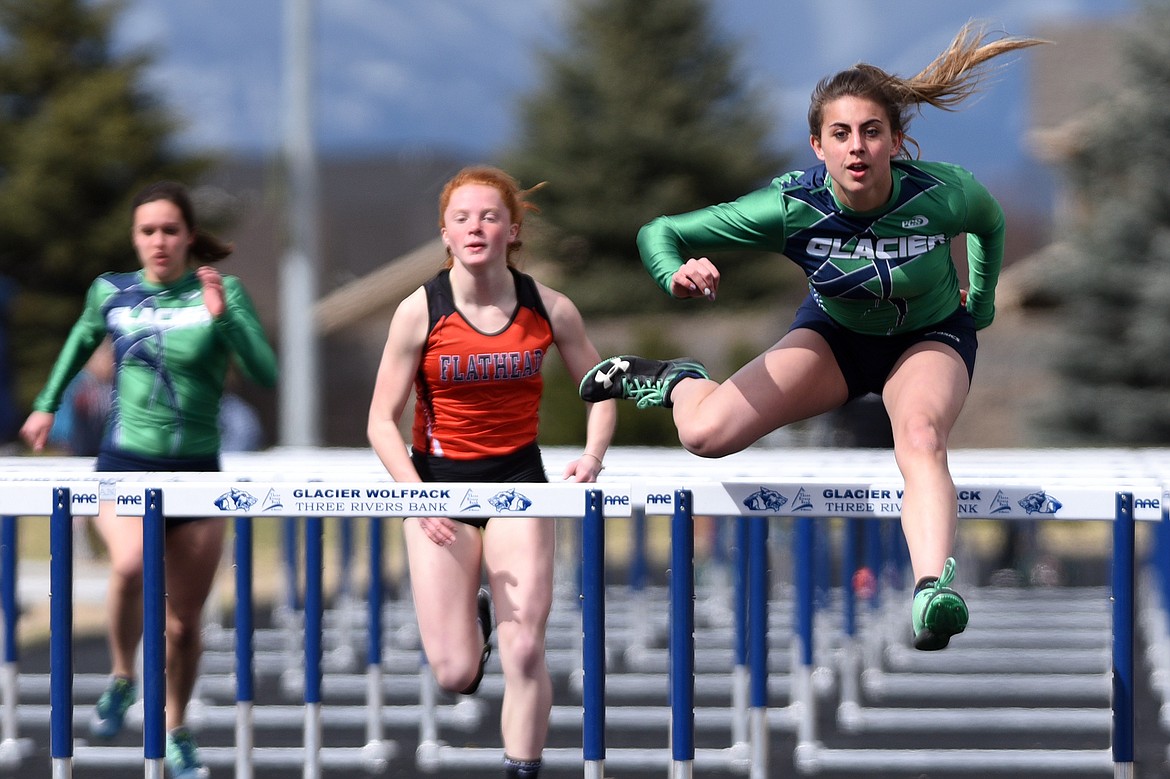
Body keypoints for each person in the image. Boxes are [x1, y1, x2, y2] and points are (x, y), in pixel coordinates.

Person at [580, 24, 1046, 651]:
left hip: (929, 336)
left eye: (872, 132)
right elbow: (659, 232)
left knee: (920, 437)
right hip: (836, 338)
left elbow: (989, 223)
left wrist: (981, 304)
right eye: (841, 134)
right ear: (818, 147)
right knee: (705, 435)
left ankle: (931, 589)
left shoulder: (942, 191)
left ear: (897, 142)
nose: (858, 148)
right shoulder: (791, 205)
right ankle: (678, 381)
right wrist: (676, 272)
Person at [20, 180, 278, 778]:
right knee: (132, 565)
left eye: (169, 230)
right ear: (135, 239)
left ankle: (177, 726)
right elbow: (80, 340)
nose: (159, 241)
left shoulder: (223, 290)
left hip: (197, 474)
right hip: (125, 464)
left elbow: (265, 371)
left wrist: (225, 321)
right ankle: (119, 673)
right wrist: (44, 403)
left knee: (184, 623)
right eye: (147, 231)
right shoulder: (112, 291)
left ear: (189, 236)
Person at [368, 165, 616, 778]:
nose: (475, 227)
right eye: (462, 218)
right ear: (445, 235)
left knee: (526, 645)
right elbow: (380, 421)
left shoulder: (549, 307)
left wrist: (592, 455)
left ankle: (522, 767)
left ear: (512, 229)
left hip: (520, 488)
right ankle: (475, 628)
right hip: (439, 486)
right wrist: (416, 497)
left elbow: (603, 384)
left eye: (489, 216)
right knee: (454, 674)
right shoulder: (417, 311)